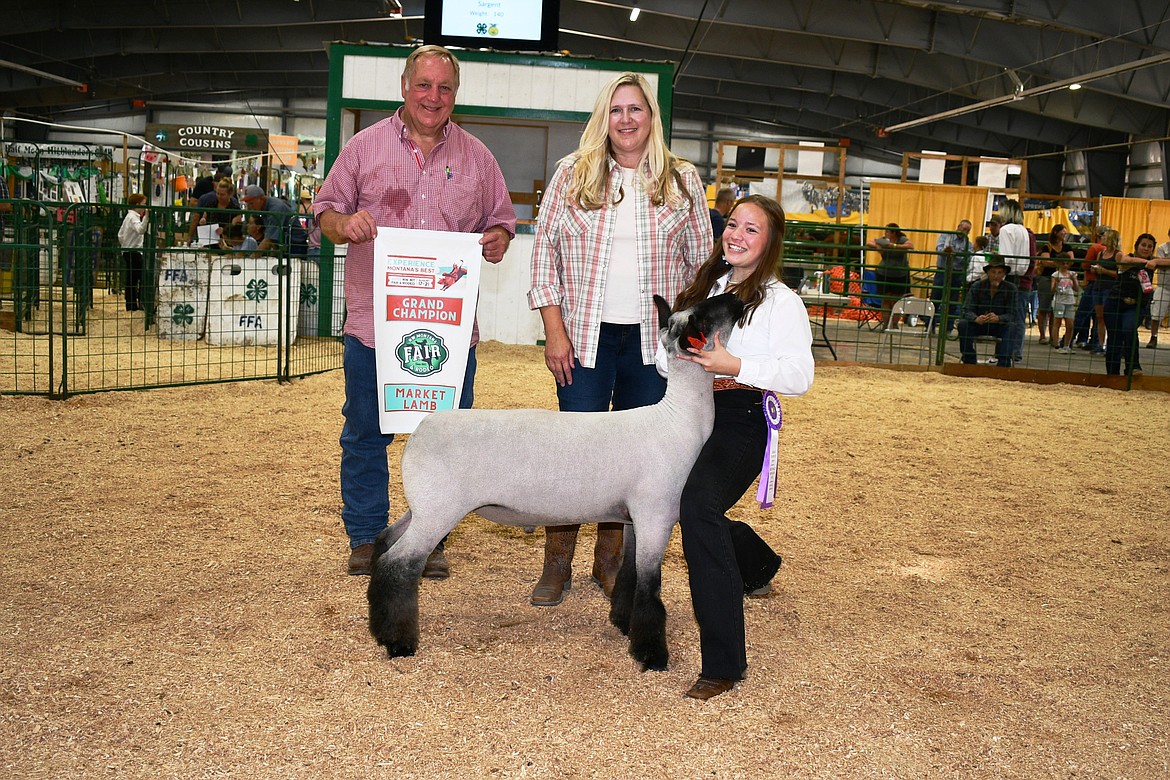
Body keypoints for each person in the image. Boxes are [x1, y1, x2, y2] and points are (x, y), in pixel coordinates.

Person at [313, 44, 517, 577]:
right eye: (424, 85)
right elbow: (324, 212)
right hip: (373, 327)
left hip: (447, 335)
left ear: (455, 95)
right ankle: (365, 534)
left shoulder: (478, 157)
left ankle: (429, 536)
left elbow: (501, 221)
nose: (433, 97)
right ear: (404, 87)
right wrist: (345, 223)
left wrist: (497, 239)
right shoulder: (363, 148)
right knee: (364, 432)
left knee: (447, 441)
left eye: (444, 88)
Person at [527, 71, 712, 607]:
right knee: (573, 453)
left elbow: (700, 268)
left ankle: (611, 564)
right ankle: (556, 564)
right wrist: (554, 333)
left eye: (636, 109)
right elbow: (545, 260)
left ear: (652, 117)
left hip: (651, 349)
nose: (626, 119)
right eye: (616, 110)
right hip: (582, 340)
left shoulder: (682, 180)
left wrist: (691, 345)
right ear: (602, 119)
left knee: (636, 461)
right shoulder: (571, 174)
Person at [656, 194, 813, 700]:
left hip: (743, 417)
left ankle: (723, 663)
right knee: (679, 504)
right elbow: (669, 359)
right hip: (690, 410)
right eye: (733, 225)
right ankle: (756, 562)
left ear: (769, 243)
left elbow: (799, 376)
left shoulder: (781, 301)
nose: (737, 236)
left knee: (698, 508)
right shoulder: (705, 289)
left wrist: (735, 366)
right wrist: (677, 355)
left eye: (752, 230)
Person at [1103, 233, 1155, 376]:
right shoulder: (1127, 258)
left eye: (1149, 246)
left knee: (1129, 328)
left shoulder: (1152, 263)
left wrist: (1154, 262)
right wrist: (1146, 263)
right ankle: (1112, 374)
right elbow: (1123, 261)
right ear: (1136, 246)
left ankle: (1133, 367)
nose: (1146, 248)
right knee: (1114, 338)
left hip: (1136, 305)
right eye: (1143, 245)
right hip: (1115, 302)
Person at [957, 255, 1018, 367]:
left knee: (1012, 327)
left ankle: (1003, 364)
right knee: (963, 324)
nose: (996, 276)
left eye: (999, 273)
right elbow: (966, 309)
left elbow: (1013, 314)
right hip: (980, 324)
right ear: (988, 273)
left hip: (999, 326)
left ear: (1004, 274)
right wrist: (975, 318)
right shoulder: (977, 286)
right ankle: (969, 361)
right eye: (993, 272)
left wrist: (999, 318)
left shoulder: (1011, 289)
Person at [995, 199, 1032, 362]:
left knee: (1004, 315)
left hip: (1008, 276)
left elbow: (1006, 256)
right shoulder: (1023, 230)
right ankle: (1015, 351)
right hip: (1020, 276)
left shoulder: (1005, 230)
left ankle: (1004, 351)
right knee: (1018, 317)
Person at [864, 223, 913, 330]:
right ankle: (886, 325)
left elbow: (910, 246)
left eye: (887, 231)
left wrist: (894, 246)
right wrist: (877, 246)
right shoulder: (884, 240)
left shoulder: (902, 239)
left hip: (899, 274)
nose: (885, 233)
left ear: (894, 233)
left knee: (896, 300)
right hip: (884, 273)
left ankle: (894, 324)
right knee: (886, 299)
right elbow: (869, 242)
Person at [929, 219, 972, 336]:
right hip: (942, 271)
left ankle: (948, 329)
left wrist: (954, 254)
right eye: (963, 228)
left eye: (967, 230)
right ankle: (930, 326)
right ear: (958, 227)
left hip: (956, 273)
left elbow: (967, 259)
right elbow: (939, 249)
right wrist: (947, 252)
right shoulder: (945, 236)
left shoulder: (968, 243)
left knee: (952, 302)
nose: (964, 231)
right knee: (936, 298)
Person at [241, 185, 307, 258]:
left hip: (296, 245)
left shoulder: (275, 208)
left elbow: (269, 238)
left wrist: (253, 257)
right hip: (286, 244)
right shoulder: (265, 208)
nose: (250, 207)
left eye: (251, 203)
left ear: (261, 199)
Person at [1074, 224, 1109, 352]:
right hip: (1104, 285)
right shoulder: (1114, 252)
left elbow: (1085, 264)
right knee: (1098, 317)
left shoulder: (1095, 248)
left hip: (1092, 283)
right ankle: (1096, 342)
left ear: (1097, 235)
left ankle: (1069, 339)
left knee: (1082, 313)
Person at [1037, 224, 1073, 346]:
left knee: (1055, 309)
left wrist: (1057, 264)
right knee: (1044, 307)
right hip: (1047, 278)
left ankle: (1054, 336)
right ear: (1056, 233)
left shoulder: (1067, 246)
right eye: (1062, 232)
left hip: (1062, 279)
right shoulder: (1046, 247)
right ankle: (1042, 335)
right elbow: (1045, 261)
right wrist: (1060, 264)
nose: (1064, 235)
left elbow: (1071, 261)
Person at [116, 193, 149, 312]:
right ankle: (134, 306)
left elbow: (120, 235)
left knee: (132, 279)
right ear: (137, 204)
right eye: (144, 204)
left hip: (129, 251)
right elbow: (140, 230)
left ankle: (132, 305)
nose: (145, 207)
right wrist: (146, 217)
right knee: (137, 278)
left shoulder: (129, 217)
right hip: (133, 252)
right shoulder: (133, 217)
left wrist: (125, 245)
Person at [187, 179, 241, 246]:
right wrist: (203, 220)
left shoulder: (235, 209)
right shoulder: (211, 205)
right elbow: (204, 217)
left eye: (222, 194)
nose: (219, 196)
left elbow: (234, 229)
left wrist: (224, 231)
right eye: (217, 193)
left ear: (230, 194)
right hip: (208, 243)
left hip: (226, 245)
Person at [1050, 257, 1080, 352]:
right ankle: (1056, 344)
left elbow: (1076, 288)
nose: (1065, 265)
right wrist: (1056, 283)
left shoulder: (1072, 274)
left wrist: (1073, 280)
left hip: (1069, 301)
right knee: (1057, 322)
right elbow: (1052, 290)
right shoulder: (1055, 275)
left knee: (1070, 324)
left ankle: (1067, 345)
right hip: (1059, 300)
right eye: (1063, 263)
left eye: (1067, 263)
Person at [1147, 228, 1170, 348]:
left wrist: (1163, 262)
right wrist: (1160, 262)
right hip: (1164, 286)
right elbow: (1159, 263)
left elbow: (1161, 262)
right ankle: (1153, 337)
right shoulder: (1163, 248)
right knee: (1156, 314)